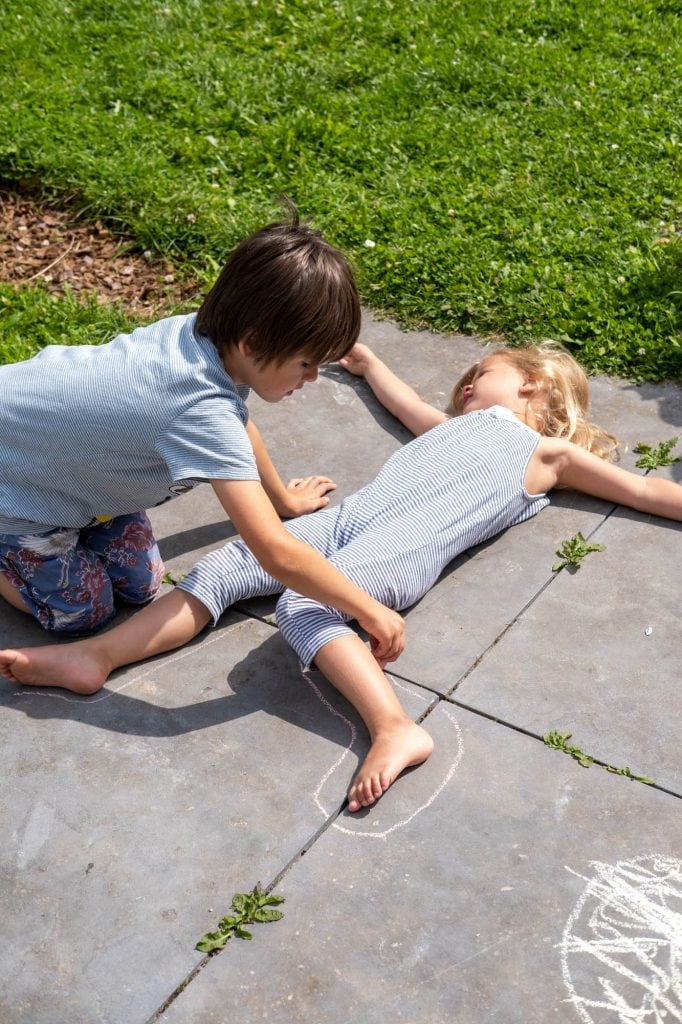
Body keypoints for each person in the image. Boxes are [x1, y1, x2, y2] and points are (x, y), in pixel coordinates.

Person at [2, 341, 681, 813]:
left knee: (304, 605)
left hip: (403, 543)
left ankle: (393, 725)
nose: (466, 386)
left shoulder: (548, 453)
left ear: (531, 384)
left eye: (482, 375)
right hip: (351, 520)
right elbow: (403, 401)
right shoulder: (448, 425)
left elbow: (645, 492)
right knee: (230, 560)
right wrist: (366, 362)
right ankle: (97, 655)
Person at [0, 209, 404, 662]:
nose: (311, 378)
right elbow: (274, 551)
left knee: (141, 584)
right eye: (306, 363)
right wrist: (366, 607)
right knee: (83, 612)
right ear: (252, 343)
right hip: (19, 496)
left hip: (69, 475)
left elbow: (240, 426)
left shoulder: (206, 338)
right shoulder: (198, 409)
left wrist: (283, 502)